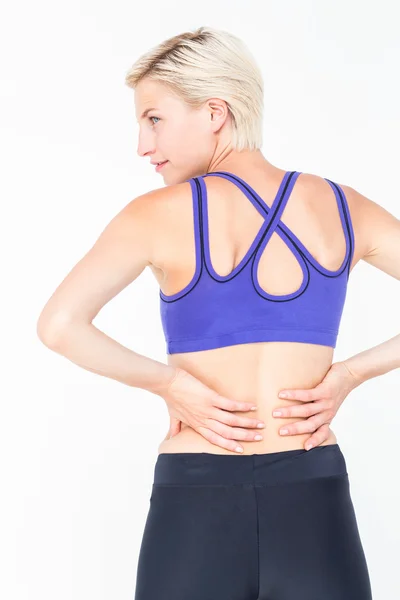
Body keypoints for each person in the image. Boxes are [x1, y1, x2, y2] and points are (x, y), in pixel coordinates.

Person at [36, 25, 400, 600]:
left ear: (214, 111)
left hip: (196, 499)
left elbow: (58, 326)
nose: (141, 145)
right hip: (314, 493)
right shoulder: (340, 206)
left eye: (154, 118)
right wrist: (349, 375)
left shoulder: (154, 215)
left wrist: (170, 384)